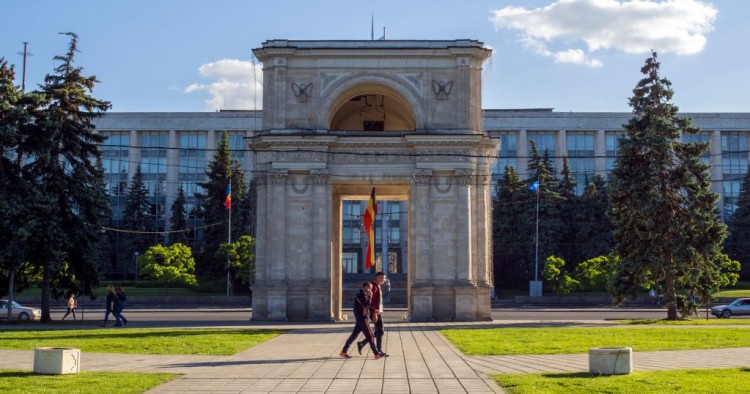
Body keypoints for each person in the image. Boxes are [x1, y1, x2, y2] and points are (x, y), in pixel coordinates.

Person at [340, 282, 382, 360]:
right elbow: (366, 304)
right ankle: (376, 353)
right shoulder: (359, 295)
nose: (370, 290)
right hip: (362, 319)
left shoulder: (363, 295)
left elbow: (367, 307)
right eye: (369, 288)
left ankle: (344, 351)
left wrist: (374, 311)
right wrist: (370, 297)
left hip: (361, 319)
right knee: (370, 336)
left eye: (371, 288)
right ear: (364, 288)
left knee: (354, 335)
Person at [357, 271, 388, 357]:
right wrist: (374, 312)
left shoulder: (378, 286)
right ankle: (378, 350)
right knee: (380, 330)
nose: (384, 280)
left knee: (379, 331)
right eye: (382, 278)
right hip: (373, 311)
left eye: (384, 278)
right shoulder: (373, 286)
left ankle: (363, 343)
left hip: (376, 311)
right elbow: (370, 300)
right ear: (377, 277)